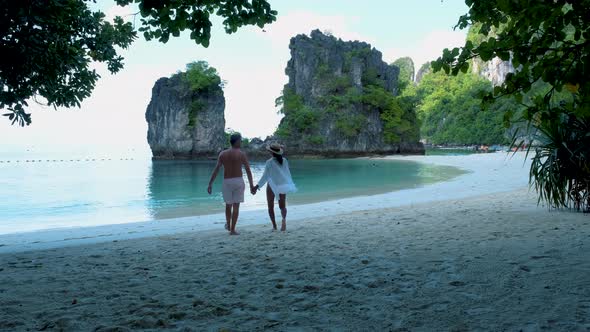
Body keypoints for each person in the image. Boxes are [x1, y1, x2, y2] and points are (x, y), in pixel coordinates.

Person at [207, 133, 254, 235]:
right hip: (238, 181)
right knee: (236, 206)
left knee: (228, 205)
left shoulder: (222, 154)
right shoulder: (241, 154)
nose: (241, 142)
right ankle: (232, 230)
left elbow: (216, 169)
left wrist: (210, 183)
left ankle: (228, 224)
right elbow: (248, 170)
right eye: (240, 140)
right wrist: (251, 186)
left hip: (227, 182)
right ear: (236, 141)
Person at [252, 143, 297, 232]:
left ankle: (274, 226)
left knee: (270, 206)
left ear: (271, 152)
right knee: (282, 206)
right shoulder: (284, 160)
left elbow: (265, 176)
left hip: (272, 185)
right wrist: (288, 183)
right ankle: (284, 221)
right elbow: (286, 173)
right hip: (282, 185)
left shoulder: (269, 162)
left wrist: (256, 187)